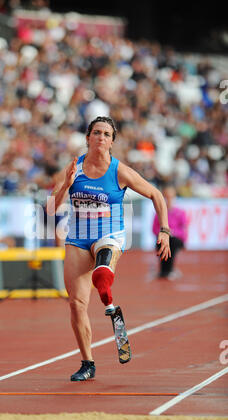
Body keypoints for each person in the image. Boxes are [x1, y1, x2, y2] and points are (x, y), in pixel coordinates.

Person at [46, 116, 171, 382]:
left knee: (102, 272)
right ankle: (88, 363)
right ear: (88, 138)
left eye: (106, 134)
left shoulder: (119, 171)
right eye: (97, 133)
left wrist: (165, 230)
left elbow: (156, 195)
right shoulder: (73, 167)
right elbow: (50, 210)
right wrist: (66, 186)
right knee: (76, 304)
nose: (101, 138)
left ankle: (105, 288)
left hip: (108, 235)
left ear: (112, 141)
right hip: (78, 239)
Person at [152, 184, 187, 280]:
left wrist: (173, 232)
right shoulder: (159, 212)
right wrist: (163, 233)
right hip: (163, 238)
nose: (169, 199)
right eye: (166, 197)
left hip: (175, 240)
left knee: (172, 242)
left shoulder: (180, 213)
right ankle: (164, 270)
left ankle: (169, 270)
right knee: (163, 242)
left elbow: (184, 230)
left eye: (171, 197)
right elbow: (154, 229)